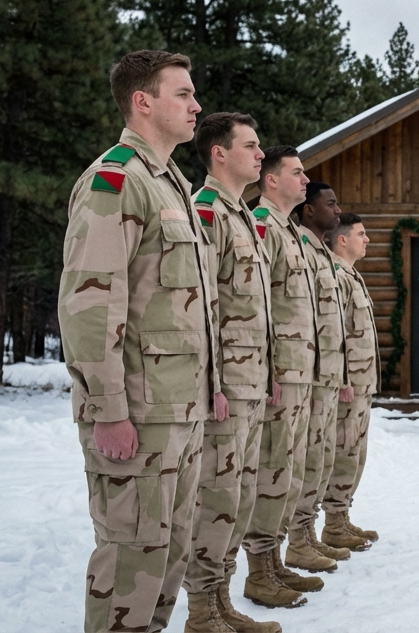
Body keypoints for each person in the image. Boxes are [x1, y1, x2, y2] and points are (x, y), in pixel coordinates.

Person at [59, 50, 228, 633]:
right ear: (143, 102)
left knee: (168, 557)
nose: (196, 104)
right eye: (183, 93)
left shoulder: (172, 186)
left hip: (178, 413)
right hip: (137, 412)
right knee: (131, 560)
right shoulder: (116, 181)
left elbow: (187, 310)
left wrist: (212, 390)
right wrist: (107, 409)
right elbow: (88, 307)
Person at [183, 113, 283, 632]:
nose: (260, 154)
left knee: (238, 496)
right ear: (220, 153)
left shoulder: (241, 215)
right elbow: (203, 306)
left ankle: (219, 601)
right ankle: (201, 610)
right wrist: (215, 383)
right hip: (226, 389)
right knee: (216, 496)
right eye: (251, 145)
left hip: (250, 384)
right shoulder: (207, 212)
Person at [241, 146, 329, 596]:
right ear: (272, 180)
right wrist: (271, 370)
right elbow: (258, 306)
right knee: (272, 470)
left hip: (299, 374)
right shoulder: (262, 225)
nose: (305, 179)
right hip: (278, 376)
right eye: (297, 173)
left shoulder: (290, 232)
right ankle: (259, 571)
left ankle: (272, 560)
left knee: (289, 471)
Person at [287, 183, 351, 568]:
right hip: (301, 379)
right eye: (330, 203)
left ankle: (306, 536)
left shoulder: (321, 256)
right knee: (298, 465)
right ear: (309, 210)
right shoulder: (296, 246)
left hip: (324, 378)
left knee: (319, 461)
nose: (338, 209)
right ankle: (292, 544)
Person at [321, 213, 379, 548]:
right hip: (348, 385)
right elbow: (334, 332)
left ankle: (341, 517)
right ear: (342, 239)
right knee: (343, 452)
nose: (367, 239)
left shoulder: (350, 275)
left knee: (355, 453)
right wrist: (342, 378)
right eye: (361, 233)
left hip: (361, 382)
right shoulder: (336, 275)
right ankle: (332, 524)